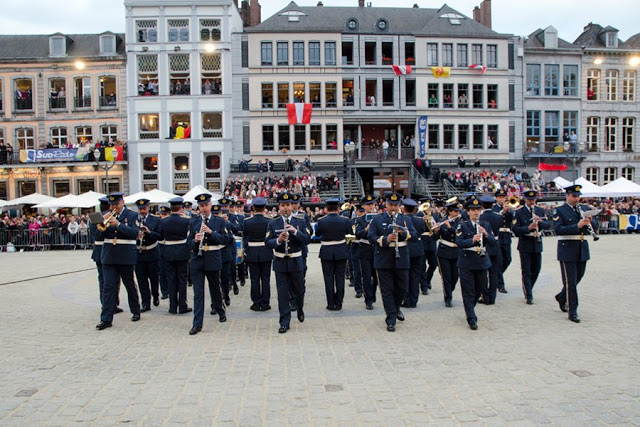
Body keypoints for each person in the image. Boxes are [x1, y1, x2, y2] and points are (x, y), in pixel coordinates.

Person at [367, 192, 417, 332]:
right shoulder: (377, 219)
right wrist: (385, 239)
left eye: (396, 205)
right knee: (387, 290)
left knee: (403, 288)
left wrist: (403, 233)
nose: (393, 208)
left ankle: (395, 308)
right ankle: (391, 318)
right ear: (386, 205)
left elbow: (414, 236)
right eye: (391, 205)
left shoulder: (405, 219)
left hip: (401, 257)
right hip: (383, 258)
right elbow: (371, 236)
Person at [187, 193, 232, 335]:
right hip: (197, 260)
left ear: (210, 205)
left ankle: (220, 310)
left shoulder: (219, 222)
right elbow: (187, 243)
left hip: (213, 258)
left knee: (215, 288)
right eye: (201, 206)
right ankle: (197, 324)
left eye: (206, 205)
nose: (204, 208)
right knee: (198, 294)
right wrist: (194, 240)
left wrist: (211, 233)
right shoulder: (193, 222)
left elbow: (225, 240)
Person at [265, 192, 310, 334]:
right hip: (280, 262)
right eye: (283, 205)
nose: (286, 208)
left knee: (299, 290)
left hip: (296, 261)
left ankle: (300, 308)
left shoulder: (300, 221)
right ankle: (284, 321)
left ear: (293, 206)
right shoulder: (272, 223)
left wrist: (295, 233)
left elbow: (307, 239)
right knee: (282, 294)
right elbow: (268, 242)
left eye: (288, 205)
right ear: (279, 207)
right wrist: (278, 240)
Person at [96, 192, 141, 330]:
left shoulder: (132, 215)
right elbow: (97, 235)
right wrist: (99, 222)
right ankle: (106, 319)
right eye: (112, 204)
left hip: (126, 255)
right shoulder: (106, 215)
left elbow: (135, 234)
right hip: (109, 256)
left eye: (116, 204)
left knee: (129, 284)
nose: (114, 207)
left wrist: (118, 224)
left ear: (122, 202)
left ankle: (135, 310)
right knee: (108, 287)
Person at [455, 196, 496, 330]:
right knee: (468, 291)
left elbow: (493, 243)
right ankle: (471, 317)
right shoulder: (462, 225)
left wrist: (486, 235)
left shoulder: (485, 224)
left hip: (482, 261)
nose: (476, 212)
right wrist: (472, 240)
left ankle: (470, 308)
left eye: (478, 209)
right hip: (467, 261)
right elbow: (459, 242)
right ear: (468, 212)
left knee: (479, 289)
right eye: (473, 210)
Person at [553, 184, 592, 323]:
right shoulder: (560, 210)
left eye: (578, 196)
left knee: (578, 278)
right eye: (574, 196)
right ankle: (572, 310)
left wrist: (590, 223)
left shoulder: (583, 210)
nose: (576, 199)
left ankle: (562, 297)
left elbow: (593, 228)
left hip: (581, 248)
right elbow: (558, 229)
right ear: (567, 196)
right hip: (567, 248)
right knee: (571, 282)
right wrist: (577, 226)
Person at [512, 190, 550, 304]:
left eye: (533, 200)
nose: (531, 202)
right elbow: (515, 228)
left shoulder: (540, 210)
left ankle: (529, 287)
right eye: (529, 200)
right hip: (525, 242)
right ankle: (529, 294)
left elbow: (548, 224)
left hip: (537, 242)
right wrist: (528, 228)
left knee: (536, 269)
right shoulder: (519, 212)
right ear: (525, 200)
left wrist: (540, 223)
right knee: (526, 270)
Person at [315, 198, 351, 311]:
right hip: (341, 250)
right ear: (338, 209)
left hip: (326, 251)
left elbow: (317, 234)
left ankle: (330, 304)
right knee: (340, 278)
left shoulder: (321, 221)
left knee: (328, 278)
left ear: (326, 209)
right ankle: (339, 303)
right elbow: (349, 232)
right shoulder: (345, 220)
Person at [159, 198, 192, 314]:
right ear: (181, 208)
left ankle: (172, 307)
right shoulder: (186, 221)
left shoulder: (164, 221)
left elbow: (161, 237)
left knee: (171, 279)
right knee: (182, 279)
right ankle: (182, 305)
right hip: (182, 252)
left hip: (168, 252)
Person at [91, 196, 122, 317]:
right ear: (110, 205)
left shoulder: (94, 216)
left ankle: (105, 303)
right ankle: (112, 304)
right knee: (113, 280)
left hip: (98, 251)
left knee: (102, 280)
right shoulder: (110, 217)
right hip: (108, 250)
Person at [243, 197, 273, 311]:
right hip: (266, 251)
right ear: (264, 208)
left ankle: (256, 303)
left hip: (252, 252)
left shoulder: (247, 222)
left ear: (253, 208)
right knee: (266, 278)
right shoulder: (269, 221)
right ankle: (265, 303)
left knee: (254, 279)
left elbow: (245, 236)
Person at [134, 198, 161, 312]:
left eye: (144, 208)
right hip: (138, 253)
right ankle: (146, 303)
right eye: (140, 209)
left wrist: (149, 232)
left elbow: (160, 236)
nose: (142, 211)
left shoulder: (155, 220)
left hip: (151, 253)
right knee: (141, 279)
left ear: (148, 207)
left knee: (154, 278)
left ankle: (155, 294)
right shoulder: (133, 219)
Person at [434, 200, 462, 307]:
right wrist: (436, 231)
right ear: (450, 212)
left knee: (455, 276)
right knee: (446, 277)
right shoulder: (442, 221)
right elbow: (435, 238)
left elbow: (459, 235)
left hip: (456, 252)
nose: (458, 213)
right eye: (455, 211)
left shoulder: (460, 222)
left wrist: (450, 228)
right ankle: (448, 298)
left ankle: (450, 290)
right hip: (443, 252)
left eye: (458, 211)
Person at [354, 195, 378, 310]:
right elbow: (357, 234)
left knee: (377, 277)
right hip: (365, 250)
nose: (371, 206)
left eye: (372, 204)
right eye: (368, 205)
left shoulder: (379, 218)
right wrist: (366, 229)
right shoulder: (360, 220)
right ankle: (368, 299)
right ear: (364, 206)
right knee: (367, 276)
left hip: (377, 250)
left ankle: (372, 294)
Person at [401, 198, 426, 308]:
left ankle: (406, 299)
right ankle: (414, 300)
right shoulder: (420, 220)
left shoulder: (401, 220)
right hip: (418, 249)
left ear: (404, 208)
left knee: (405, 275)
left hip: (405, 249)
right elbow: (422, 231)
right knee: (415, 276)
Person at [479, 195, 502, 304]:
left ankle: (485, 296)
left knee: (483, 273)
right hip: (495, 244)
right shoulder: (498, 216)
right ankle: (492, 297)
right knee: (494, 273)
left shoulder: (480, 217)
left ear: (482, 205)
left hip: (483, 245)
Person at [493, 189, 513, 293]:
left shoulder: (509, 207)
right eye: (499, 197)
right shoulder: (494, 208)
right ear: (496, 198)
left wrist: (510, 211)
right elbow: (494, 219)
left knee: (508, 259)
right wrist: (502, 212)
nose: (501, 199)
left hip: (507, 235)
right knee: (499, 261)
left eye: (503, 197)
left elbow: (513, 220)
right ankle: (501, 284)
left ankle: (495, 276)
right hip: (498, 235)